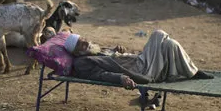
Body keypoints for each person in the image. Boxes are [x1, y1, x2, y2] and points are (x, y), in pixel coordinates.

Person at [64, 30, 213, 90]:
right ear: (77, 52)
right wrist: (121, 78)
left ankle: (191, 71)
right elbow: (99, 74)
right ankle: (193, 71)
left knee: (169, 44)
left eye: (84, 40)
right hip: (140, 70)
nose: (86, 43)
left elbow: (106, 57)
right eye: (81, 44)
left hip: (139, 61)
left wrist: (115, 50)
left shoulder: (92, 51)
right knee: (159, 35)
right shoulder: (81, 62)